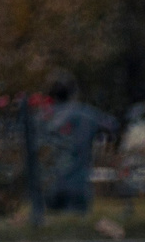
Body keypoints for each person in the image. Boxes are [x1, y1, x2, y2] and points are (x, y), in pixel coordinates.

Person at [39, 75, 119, 213]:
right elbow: (112, 126)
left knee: (51, 224)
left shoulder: (43, 116)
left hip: (50, 185)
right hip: (78, 184)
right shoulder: (86, 113)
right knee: (76, 224)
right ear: (72, 92)